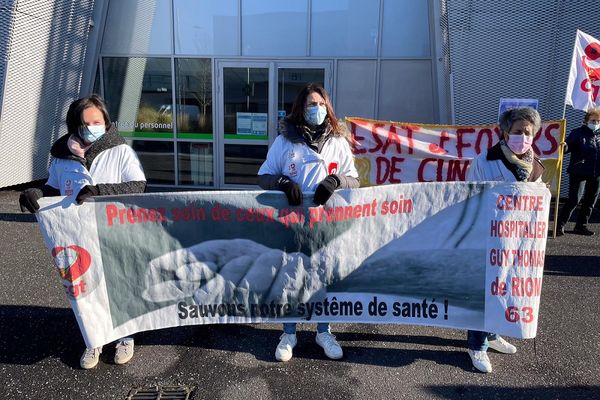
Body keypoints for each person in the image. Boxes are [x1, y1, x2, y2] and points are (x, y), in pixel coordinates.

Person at [18, 94, 146, 369]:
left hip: (115, 231)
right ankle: (94, 340)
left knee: (118, 285)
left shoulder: (121, 151)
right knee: (86, 290)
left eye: (96, 121)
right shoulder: (62, 159)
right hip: (78, 236)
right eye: (85, 123)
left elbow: (138, 186)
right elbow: (51, 190)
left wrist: (100, 192)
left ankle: (125, 336)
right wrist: (34, 194)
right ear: (75, 125)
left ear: (105, 122)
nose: (91, 127)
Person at [257, 83, 360, 362]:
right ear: (301, 110)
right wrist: (282, 181)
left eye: (320, 104)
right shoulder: (285, 142)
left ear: (328, 107)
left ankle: (323, 331)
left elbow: (354, 178)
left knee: (323, 277)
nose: (316, 109)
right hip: (293, 223)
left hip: (326, 224)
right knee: (291, 276)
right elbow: (264, 175)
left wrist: (336, 180)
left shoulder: (338, 141)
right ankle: (289, 332)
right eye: (310, 105)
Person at [466, 107, 545, 373]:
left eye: (527, 132)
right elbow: (471, 197)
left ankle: (492, 334)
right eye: (517, 131)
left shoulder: (535, 166)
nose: (522, 137)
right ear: (504, 132)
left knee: (504, 289)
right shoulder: (484, 161)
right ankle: (476, 345)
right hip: (487, 238)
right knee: (483, 292)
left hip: (516, 243)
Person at [556, 108, 600, 236]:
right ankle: (560, 225)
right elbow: (567, 148)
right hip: (579, 171)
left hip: (597, 172)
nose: (596, 123)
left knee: (591, 201)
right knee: (574, 199)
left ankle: (581, 226)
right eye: (593, 120)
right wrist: (564, 146)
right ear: (586, 121)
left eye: (598, 121)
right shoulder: (577, 133)